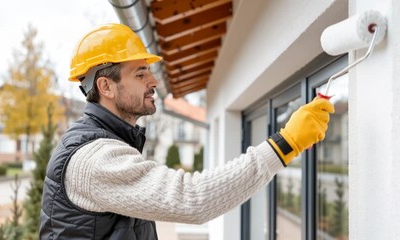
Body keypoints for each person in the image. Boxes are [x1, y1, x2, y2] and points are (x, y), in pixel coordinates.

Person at [39, 23, 334, 240]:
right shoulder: (94, 158)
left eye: (149, 71)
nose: (153, 81)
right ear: (106, 87)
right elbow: (192, 199)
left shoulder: (108, 141)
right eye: (140, 73)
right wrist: (286, 144)